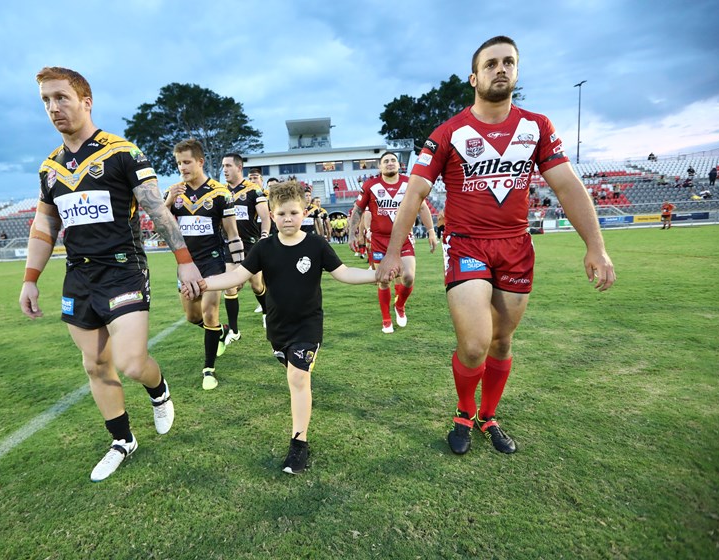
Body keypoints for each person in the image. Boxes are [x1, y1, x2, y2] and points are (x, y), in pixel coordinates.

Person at [376, 36, 615, 455]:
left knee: (501, 341)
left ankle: (488, 416)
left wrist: (596, 246)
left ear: (516, 72)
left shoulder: (537, 127)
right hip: (467, 245)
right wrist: (394, 252)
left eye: (508, 62)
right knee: (473, 345)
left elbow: (566, 186)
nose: (500, 69)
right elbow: (413, 194)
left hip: (516, 247)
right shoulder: (448, 133)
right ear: (475, 77)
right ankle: (463, 413)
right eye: (491, 64)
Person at [19, 67, 202, 482]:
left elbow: (157, 209)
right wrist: (30, 278)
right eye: (46, 100)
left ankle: (159, 391)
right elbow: (45, 227)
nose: (53, 108)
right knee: (96, 365)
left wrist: (185, 260)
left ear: (86, 101)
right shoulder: (50, 168)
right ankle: (122, 440)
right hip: (78, 278)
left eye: (61, 97)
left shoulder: (123, 152)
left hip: (124, 272)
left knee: (132, 363)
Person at [182, 181, 376, 474]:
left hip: (308, 326)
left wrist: (376, 275)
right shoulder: (264, 248)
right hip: (277, 329)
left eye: (294, 213)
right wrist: (203, 283)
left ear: (304, 212)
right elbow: (236, 278)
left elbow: (344, 273)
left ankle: (299, 444)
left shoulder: (316, 244)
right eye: (282, 213)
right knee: (295, 374)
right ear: (272, 215)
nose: (288, 219)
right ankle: (296, 378)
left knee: (298, 379)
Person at [165, 139, 242, 390]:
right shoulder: (175, 193)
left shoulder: (220, 193)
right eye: (178, 163)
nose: (182, 168)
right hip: (186, 263)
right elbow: (162, 226)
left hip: (213, 262)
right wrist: (167, 202)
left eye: (186, 162)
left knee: (210, 312)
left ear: (200, 161)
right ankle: (221, 331)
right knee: (192, 316)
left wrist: (238, 268)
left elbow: (232, 234)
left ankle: (208, 369)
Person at [348, 151, 437, 334]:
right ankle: (386, 319)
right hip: (380, 241)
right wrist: (352, 234)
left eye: (393, 161)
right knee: (384, 280)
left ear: (399, 165)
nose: (389, 163)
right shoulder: (370, 185)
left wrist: (430, 231)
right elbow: (358, 210)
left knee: (408, 277)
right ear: (380, 166)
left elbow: (422, 207)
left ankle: (400, 306)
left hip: (404, 238)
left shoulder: (410, 183)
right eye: (385, 161)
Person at [220, 152, 271, 338]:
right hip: (228, 245)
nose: (224, 170)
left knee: (257, 285)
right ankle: (234, 330)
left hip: (250, 244)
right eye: (223, 166)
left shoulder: (253, 190)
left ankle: (266, 312)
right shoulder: (220, 191)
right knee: (230, 287)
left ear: (239, 167)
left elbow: (265, 217)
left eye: (228, 166)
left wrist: (264, 236)